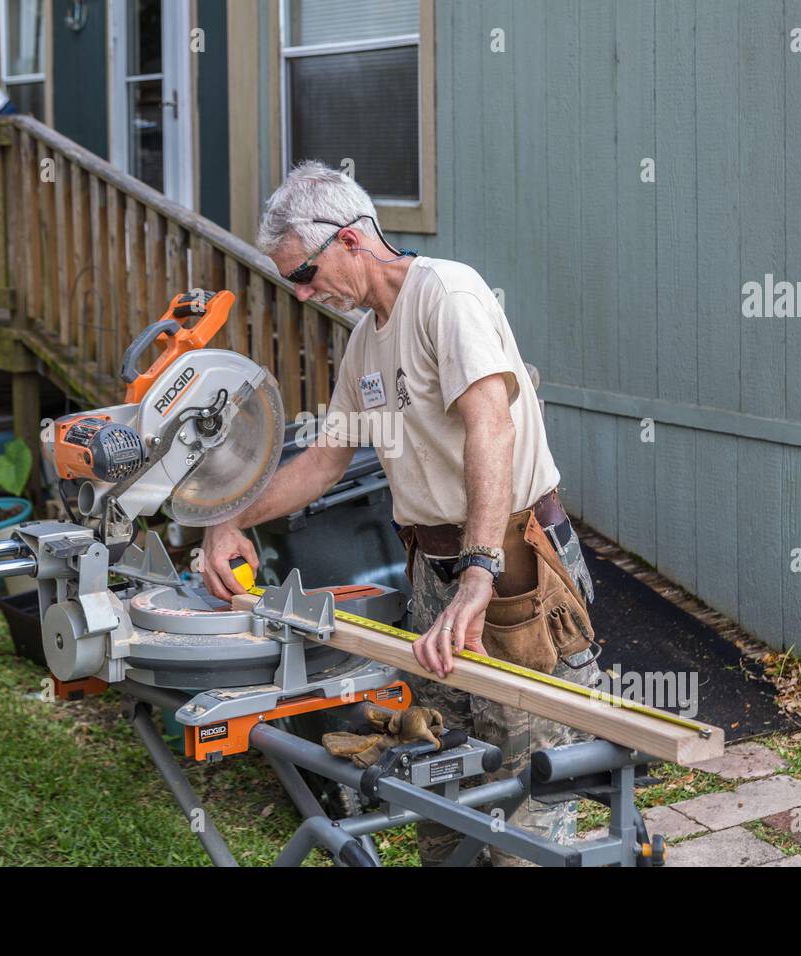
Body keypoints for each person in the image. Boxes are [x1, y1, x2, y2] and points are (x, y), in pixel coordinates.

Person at [201, 160, 601, 866]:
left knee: (529, 793)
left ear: (351, 239)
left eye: (304, 272)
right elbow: (325, 461)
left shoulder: (447, 294)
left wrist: (480, 573)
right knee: (439, 775)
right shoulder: (364, 342)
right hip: (434, 568)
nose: (302, 292)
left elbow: (492, 427)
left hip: (513, 568)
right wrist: (231, 516)